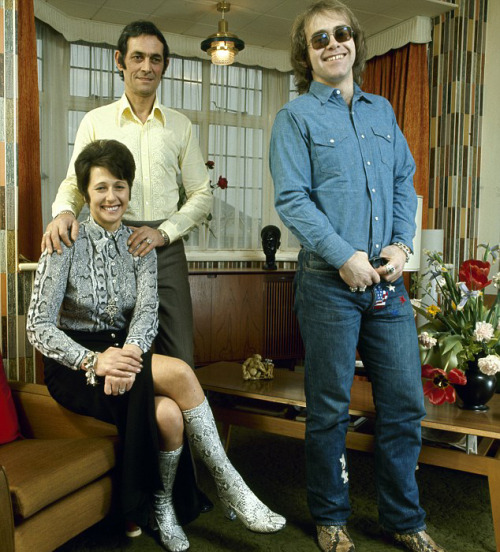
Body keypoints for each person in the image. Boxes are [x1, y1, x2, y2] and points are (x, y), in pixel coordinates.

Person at [27, 139, 286, 552]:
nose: (111, 197)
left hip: (126, 351)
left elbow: (147, 314)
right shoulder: (64, 242)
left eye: (119, 186)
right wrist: (96, 362)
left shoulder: (140, 244)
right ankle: (230, 485)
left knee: (168, 416)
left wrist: (125, 360)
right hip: (74, 364)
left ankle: (162, 508)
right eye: (100, 188)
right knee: (182, 372)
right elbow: (38, 328)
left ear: (129, 190)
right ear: (85, 192)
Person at [269, 2, 445, 551]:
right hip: (328, 283)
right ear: (307, 54)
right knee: (329, 405)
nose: (333, 43)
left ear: (354, 41)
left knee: (404, 403)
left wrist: (400, 243)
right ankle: (330, 516)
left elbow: (402, 181)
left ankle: (403, 518)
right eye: (319, 38)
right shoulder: (295, 117)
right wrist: (345, 256)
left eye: (341, 33)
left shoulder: (382, 111)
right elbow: (292, 199)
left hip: (388, 283)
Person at [41, 20, 211, 370]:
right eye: (137, 57)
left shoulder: (180, 125)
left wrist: (164, 232)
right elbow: (74, 184)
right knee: (118, 349)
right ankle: (131, 421)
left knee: (180, 356)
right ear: (120, 61)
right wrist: (63, 214)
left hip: (164, 246)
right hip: (106, 240)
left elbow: (201, 194)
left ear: (164, 65)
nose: (146, 67)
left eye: (155, 59)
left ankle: (171, 422)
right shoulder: (95, 121)